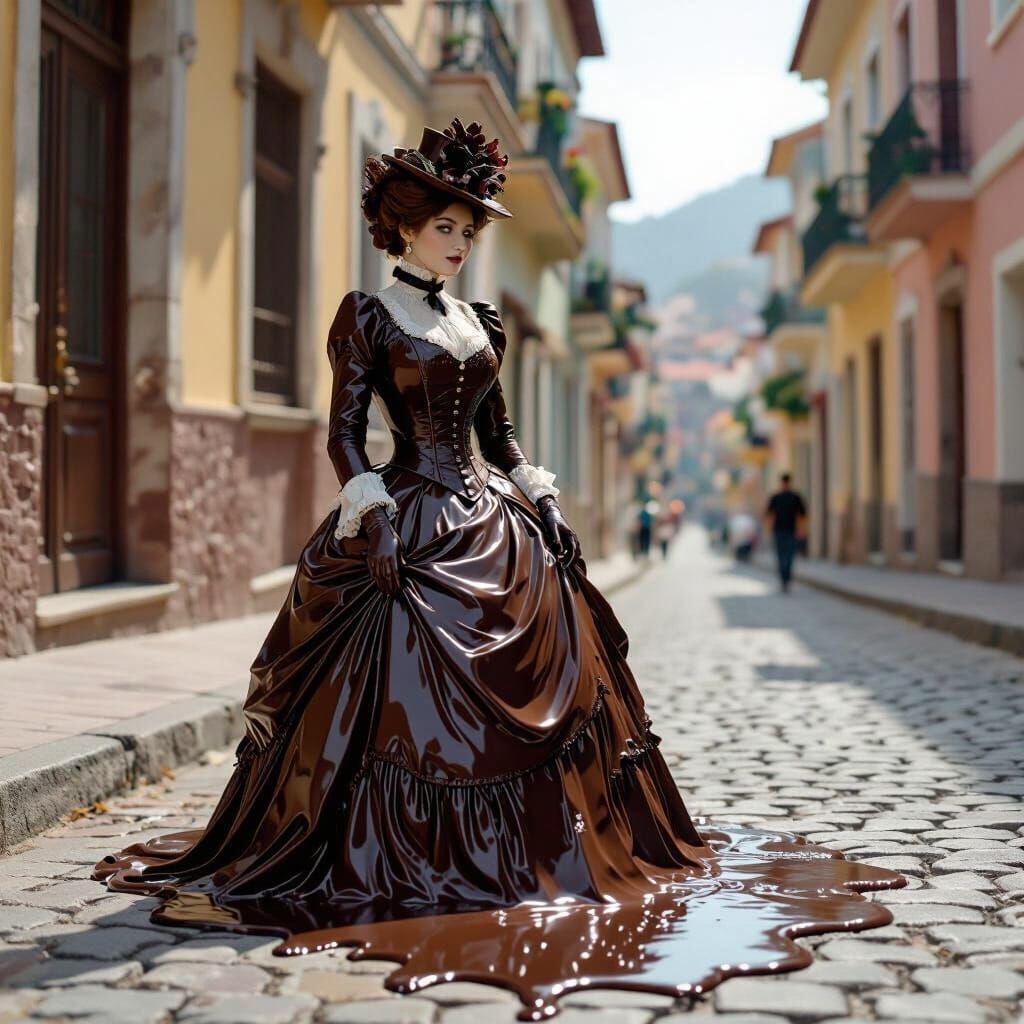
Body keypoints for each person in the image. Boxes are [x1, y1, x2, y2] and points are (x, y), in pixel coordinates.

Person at [92, 117, 903, 1016]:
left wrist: (542, 500)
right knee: (392, 683)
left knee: (567, 669)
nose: (460, 246)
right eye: (447, 229)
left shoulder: (478, 322)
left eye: (469, 234)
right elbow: (344, 436)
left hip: (495, 518)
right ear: (403, 226)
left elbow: (500, 437)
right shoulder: (367, 317)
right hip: (412, 517)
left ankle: (550, 852)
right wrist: (376, 519)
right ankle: (410, 859)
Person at [764, 472, 807, 592]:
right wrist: (801, 530)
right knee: (787, 556)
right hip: (786, 531)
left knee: (784, 556)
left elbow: (769, 516)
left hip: (784, 531)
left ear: (782, 483)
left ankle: (785, 579)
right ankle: (785, 579)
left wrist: (768, 530)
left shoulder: (778, 497)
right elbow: (802, 516)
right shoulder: (794, 497)